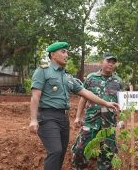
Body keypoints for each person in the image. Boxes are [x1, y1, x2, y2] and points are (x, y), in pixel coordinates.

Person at [28, 42, 120, 170]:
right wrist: (33, 119)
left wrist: (106, 103)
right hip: (47, 116)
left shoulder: (67, 76)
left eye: (67, 52)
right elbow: (35, 97)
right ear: (53, 54)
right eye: (63, 52)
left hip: (63, 118)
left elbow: (85, 93)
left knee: (60, 154)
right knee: (55, 151)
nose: (66, 55)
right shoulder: (43, 71)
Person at [71, 52, 123, 170]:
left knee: (107, 153)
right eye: (108, 61)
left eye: (113, 62)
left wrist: (123, 120)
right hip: (91, 121)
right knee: (80, 149)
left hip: (109, 124)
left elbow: (123, 102)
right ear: (102, 62)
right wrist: (78, 117)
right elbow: (83, 98)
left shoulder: (118, 82)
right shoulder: (91, 78)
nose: (111, 64)